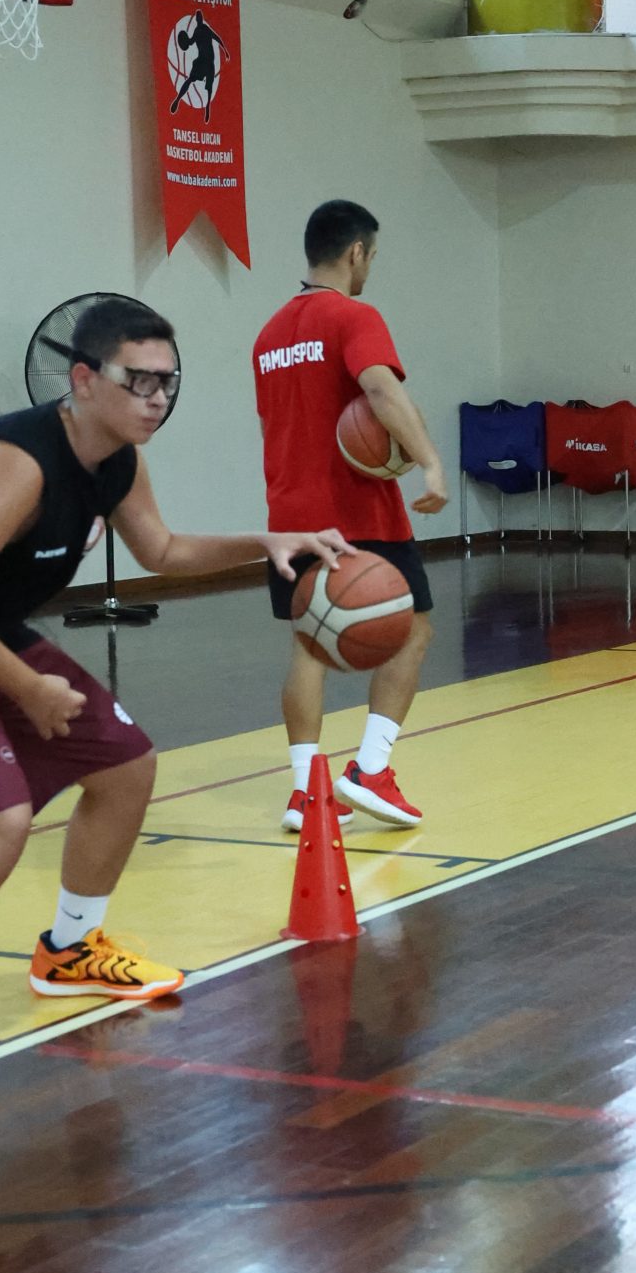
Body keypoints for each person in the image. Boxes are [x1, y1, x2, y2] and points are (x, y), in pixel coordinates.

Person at [0, 297, 345, 1090]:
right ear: (82, 379)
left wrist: (264, 540)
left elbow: (161, 549)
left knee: (126, 765)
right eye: (139, 380)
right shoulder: (18, 463)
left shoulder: (118, 461)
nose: (157, 398)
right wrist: (27, 687)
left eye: (168, 382)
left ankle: (70, 951)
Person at [254, 200, 446, 833]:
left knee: (309, 646)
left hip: (289, 515)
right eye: (373, 256)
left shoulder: (269, 335)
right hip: (359, 514)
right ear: (356, 252)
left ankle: (305, 792)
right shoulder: (354, 316)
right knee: (414, 628)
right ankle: (371, 769)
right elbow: (381, 389)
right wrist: (429, 463)